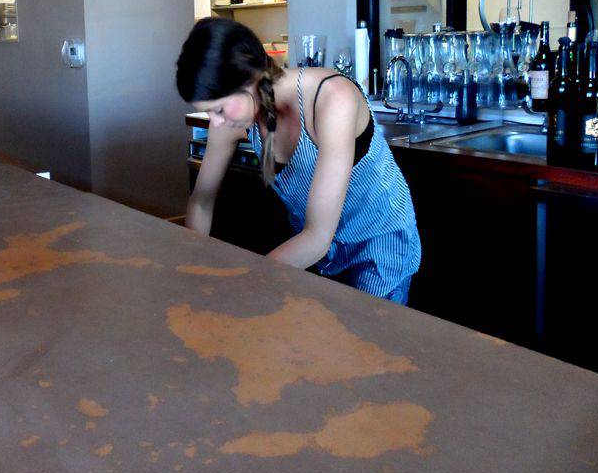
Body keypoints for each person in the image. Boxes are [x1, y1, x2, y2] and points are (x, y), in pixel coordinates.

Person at [176, 17, 421, 304]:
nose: (216, 122)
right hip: (315, 249)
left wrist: (244, 284)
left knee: (363, 342)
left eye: (218, 109)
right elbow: (201, 201)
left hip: (378, 243)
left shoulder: (332, 99)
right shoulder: (233, 121)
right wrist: (190, 275)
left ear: (248, 78)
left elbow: (318, 236)